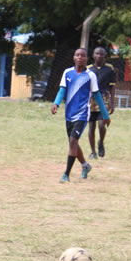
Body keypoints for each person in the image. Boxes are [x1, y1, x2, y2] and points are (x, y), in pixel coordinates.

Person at [51, 47, 110, 183]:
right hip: (69, 113)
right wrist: (56, 103)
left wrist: (105, 115)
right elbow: (62, 90)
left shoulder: (90, 75)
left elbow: (97, 95)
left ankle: (66, 174)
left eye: (83, 55)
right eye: (77, 55)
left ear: (87, 59)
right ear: (74, 57)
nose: (80, 57)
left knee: (73, 141)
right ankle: (85, 165)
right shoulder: (67, 73)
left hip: (82, 114)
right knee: (73, 143)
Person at [87, 46, 116, 159]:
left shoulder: (109, 69)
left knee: (101, 125)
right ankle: (93, 152)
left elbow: (112, 87)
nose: (99, 56)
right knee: (91, 127)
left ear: (105, 56)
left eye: (101, 54)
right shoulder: (88, 69)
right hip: (91, 99)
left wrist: (112, 103)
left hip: (103, 98)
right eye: (97, 53)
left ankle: (101, 142)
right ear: (93, 55)